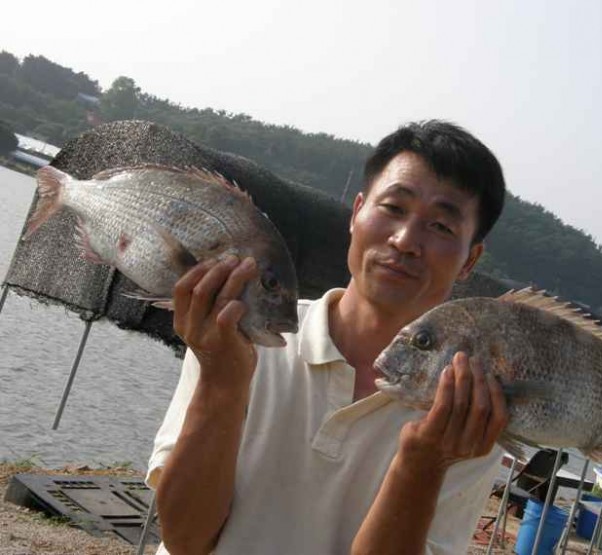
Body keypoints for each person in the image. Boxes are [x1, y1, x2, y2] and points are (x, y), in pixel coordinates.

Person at [147, 120, 509, 554]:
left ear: (469, 261)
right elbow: (185, 538)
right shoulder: (239, 334)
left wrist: (423, 463)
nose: (405, 241)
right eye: (394, 207)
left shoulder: (469, 409)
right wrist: (220, 382)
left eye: (442, 228)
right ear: (356, 213)